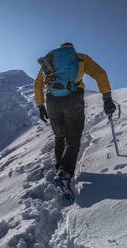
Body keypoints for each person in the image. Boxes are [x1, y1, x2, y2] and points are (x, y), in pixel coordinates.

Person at [34, 42, 116, 187]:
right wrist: (107, 98)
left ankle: (59, 169)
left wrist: (41, 106)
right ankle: (64, 174)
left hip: (52, 101)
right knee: (72, 139)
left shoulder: (49, 62)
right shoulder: (80, 58)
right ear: (71, 49)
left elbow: (38, 85)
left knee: (59, 136)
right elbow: (100, 74)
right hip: (73, 99)